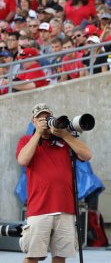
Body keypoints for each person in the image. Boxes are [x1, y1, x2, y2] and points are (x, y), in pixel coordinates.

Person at [16, 103, 92, 263]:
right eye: (40, 118)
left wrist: (65, 135)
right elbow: (23, 160)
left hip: (65, 209)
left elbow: (86, 155)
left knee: (60, 257)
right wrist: (37, 134)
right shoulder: (26, 140)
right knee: (32, 256)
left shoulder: (64, 142)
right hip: (39, 209)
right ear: (33, 121)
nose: (44, 120)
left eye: (47, 117)